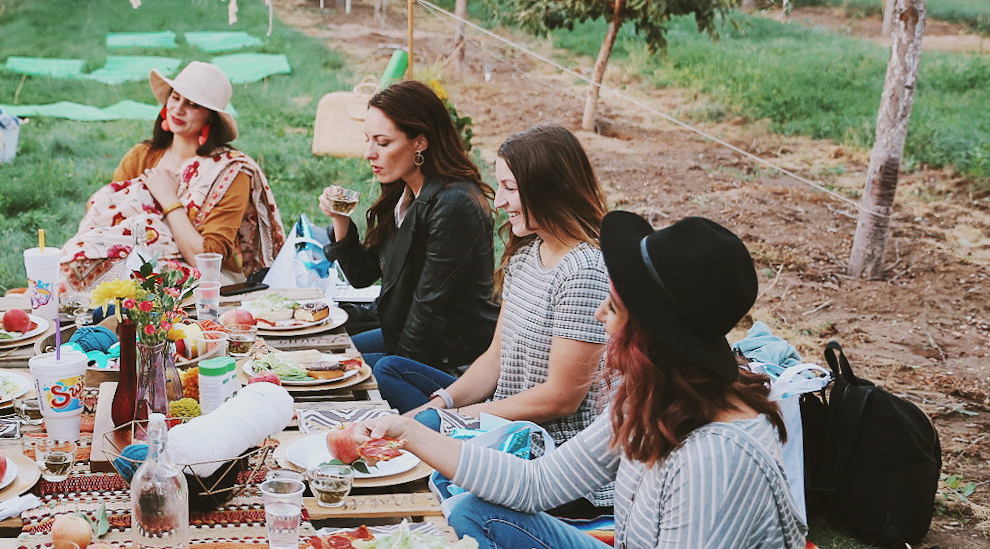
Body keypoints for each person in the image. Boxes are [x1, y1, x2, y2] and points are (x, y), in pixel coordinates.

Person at [364, 213, 813, 549]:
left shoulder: (715, 459)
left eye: (615, 307)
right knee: (472, 512)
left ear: (652, 334)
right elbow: (537, 485)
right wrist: (408, 434)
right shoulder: (651, 394)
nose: (600, 314)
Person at [372, 123, 613, 514]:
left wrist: (453, 421)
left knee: (426, 441)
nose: (499, 201)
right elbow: (495, 358)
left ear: (549, 187)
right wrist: (442, 404)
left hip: (553, 462)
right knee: (392, 371)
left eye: (510, 188)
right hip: (507, 424)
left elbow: (561, 398)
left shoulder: (583, 270)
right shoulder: (525, 256)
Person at [321, 80, 497, 376]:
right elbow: (362, 276)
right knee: (327, 352)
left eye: (383, 142)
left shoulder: (453, 205)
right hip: (404, 333)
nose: (369, 153)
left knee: (343, 371)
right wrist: (340, 219)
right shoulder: (404, 193)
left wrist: (394, 373)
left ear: (420, 142)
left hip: (451, 359)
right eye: (368, 140)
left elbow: (429, 309)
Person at [64, 61, 282, 285]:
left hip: (205, 283)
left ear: (210, 116)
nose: (178, 109)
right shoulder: (141, 157)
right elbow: (111, 223)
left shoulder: (230, 172)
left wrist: (169, 201)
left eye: (192, 104)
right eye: (175, 98)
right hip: (131, 266)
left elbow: (206, 262)